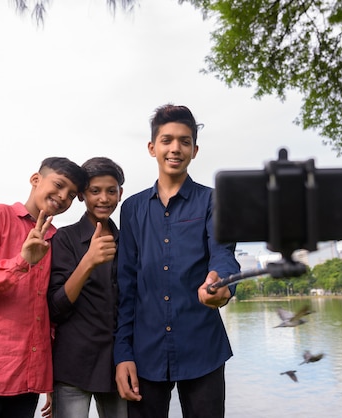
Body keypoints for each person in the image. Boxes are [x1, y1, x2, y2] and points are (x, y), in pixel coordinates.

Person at [113, 104, 240, 418]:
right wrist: (122, 353)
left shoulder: (214, 201)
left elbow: (223, 255)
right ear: (152, 147)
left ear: (195, 150)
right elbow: (126, 283)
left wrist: (220, 283)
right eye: (167, 140)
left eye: (184, 141)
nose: (175, 148)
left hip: (202, 345)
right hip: (144, 351)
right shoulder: (131, 208)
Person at [0, 157, 88, 418]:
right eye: (58, 185)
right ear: (35, 179)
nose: (63, 197)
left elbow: (49, 318)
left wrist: (51, 384)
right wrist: (20, 263)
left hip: (26, 384)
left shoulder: (57, 239)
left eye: (71, 194)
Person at [46, 156, 127, 418]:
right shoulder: (64, 238)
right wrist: (88, 262)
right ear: (82, 195)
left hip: (119, 365)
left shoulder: (128, 241)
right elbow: (55, 307)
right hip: (73, 365)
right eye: (95, 191)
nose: (103, 199)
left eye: (111, 191)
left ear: (120, 193)